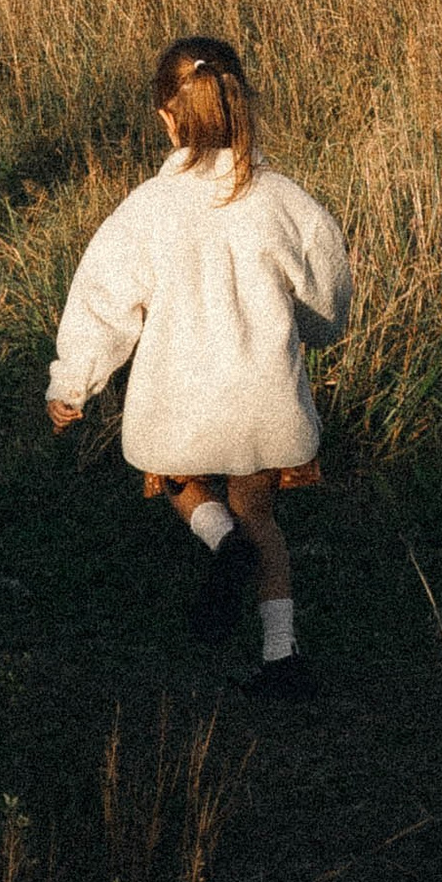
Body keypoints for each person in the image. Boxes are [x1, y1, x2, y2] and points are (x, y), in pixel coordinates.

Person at [46, 35, 352, 700]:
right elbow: (327, 294)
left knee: (176, 475)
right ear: (242, 103)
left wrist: (73, 382)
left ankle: (220, 543)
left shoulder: (147, 211)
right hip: (263, 400)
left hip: (180, 404)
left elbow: (104, 300)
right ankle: (281, 657)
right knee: (261, 514)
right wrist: (311, 331)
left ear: (166, 116)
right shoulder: (282, 201)